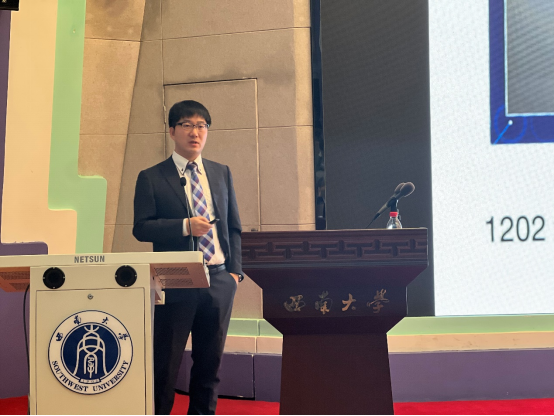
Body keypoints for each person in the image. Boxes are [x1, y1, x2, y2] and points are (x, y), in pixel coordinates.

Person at [133, 100, 244, 415]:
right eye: (187, 125)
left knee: (210, 363)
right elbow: (141, 228)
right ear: (172, 131)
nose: (195, 132)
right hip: (175, 279)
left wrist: (234, 274)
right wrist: (184, 226)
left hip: (219, 279)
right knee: (165, 363)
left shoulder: (221, 173)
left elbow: (233, 226)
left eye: (201, 126)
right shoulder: (152, 177)